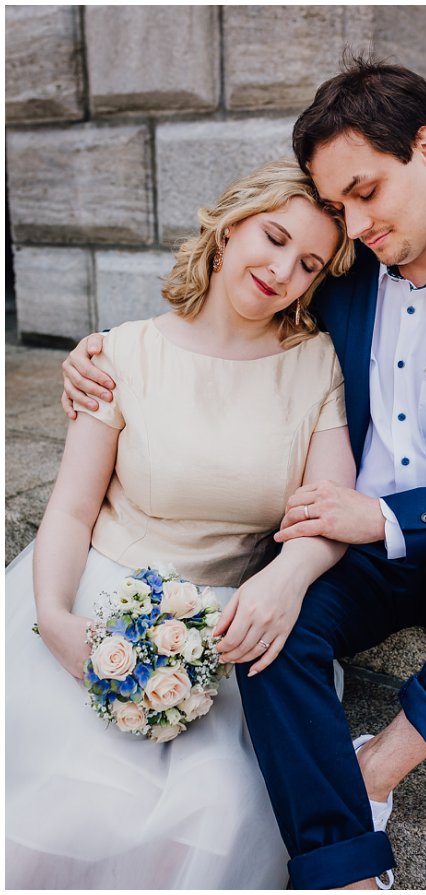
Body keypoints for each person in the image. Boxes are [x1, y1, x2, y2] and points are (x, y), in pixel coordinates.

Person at [63, 58, 426, 890]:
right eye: (339, 205)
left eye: (365, 192)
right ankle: (341, 869)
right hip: (344, 558)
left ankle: (375, 769)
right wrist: (95, 354)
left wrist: (384, 520)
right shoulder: (342, 272)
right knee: (270, 621)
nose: (352, 224)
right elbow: (226, 316)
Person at [7, 158, 356, 888]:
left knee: (219, 810)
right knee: (65, 807)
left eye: (309, 263)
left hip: (233, 622)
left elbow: (330, 509)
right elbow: (70, 507)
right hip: (98, 590)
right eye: (273, 236)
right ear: (229, 227)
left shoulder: (316, 363)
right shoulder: (122, 353)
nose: (284, 270)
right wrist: (53, 616)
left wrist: (286, 580)